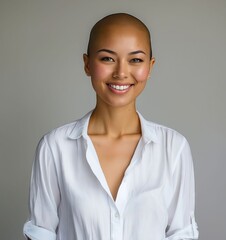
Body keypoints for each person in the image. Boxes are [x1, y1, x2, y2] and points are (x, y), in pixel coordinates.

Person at [23, 13, 199, 240]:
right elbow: (41, 233)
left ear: (150, 66)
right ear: (87, 64)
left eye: (135, 60)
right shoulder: (55, 147)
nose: (121, 73)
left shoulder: (174, 148)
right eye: (107, 58)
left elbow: (181, 234)